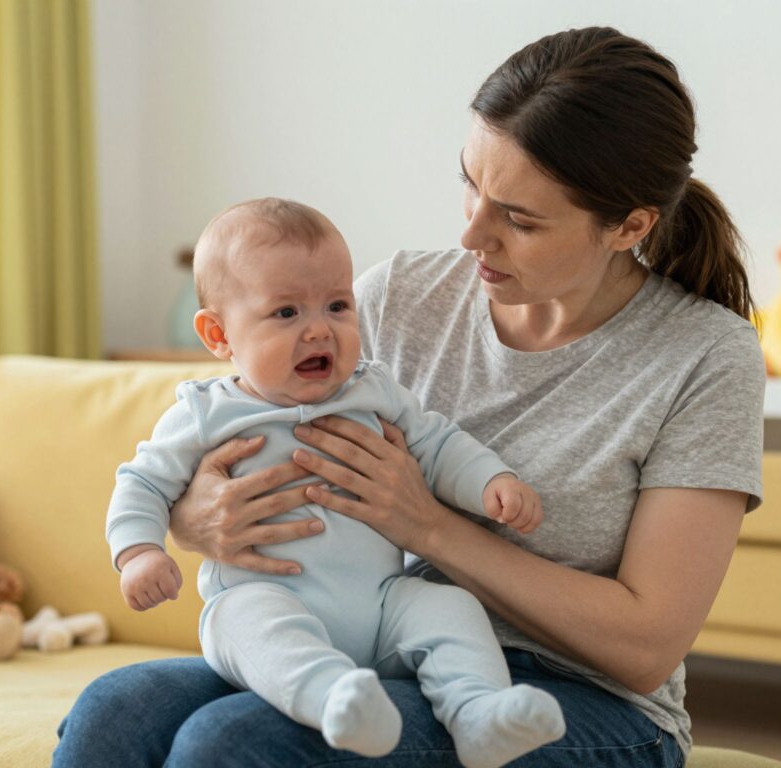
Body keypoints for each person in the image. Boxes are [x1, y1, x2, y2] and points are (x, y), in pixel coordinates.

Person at [55, 26, 764, 768]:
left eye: (518, 219)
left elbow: (645, 647)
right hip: (375, 650)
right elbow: (238, 426)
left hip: (588, 703)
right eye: (471, 184)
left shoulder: (705, 356)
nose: (471, 236)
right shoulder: (399, 294)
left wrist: (427, 525)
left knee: (231, 745)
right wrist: (198, 516)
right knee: (115, 714)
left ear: (630, 226)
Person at [107, 197, 562, 767]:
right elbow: (142, 483)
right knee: (243, 624)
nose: (319, 329)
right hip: (267, 597)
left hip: (379, 604)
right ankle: (334, 701)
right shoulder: (205, 413)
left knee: (448, 608)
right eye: (286, 313)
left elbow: (436, 442)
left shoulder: (373, 390)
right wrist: (140, 551)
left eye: (338, 305)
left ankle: (479, 714)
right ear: (218, 335)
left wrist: (491, 480)